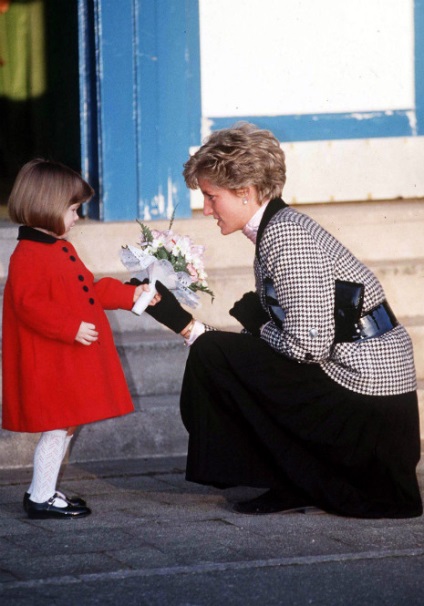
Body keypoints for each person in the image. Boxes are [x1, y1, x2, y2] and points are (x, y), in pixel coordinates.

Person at [144, 122, 423, 519]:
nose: (206, 209)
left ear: (244, 192)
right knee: (224, 351)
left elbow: (308, 347)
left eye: (211, 196)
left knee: (214, 354)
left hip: (367, 404)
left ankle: (291, 479)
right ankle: (291, 479)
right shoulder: (279, 226)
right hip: (363, 390)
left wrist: (254, 326)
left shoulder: (286, 236)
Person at [2, 158, 151, 519]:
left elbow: (89, 290)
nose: (77, 218)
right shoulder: (30, 254)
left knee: (63, 427)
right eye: (73, 209)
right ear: (47, 206)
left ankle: (44, 491)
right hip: (52, 362)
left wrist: (130, 295)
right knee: (57, 429)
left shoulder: (57, 249)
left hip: (63, 360)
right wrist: (69, 328)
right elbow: (27, 304)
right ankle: (40, 496)